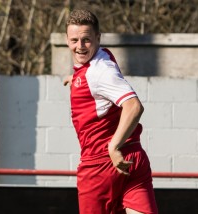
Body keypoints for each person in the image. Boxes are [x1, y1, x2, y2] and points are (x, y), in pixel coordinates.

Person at [63, 9, 158, 214]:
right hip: (132, 159)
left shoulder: (99, 72)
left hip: (101, 165)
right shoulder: (102, 58)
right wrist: (77, 80)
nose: (80, 46)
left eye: (86, 40)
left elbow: (133, 106)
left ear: (98, 38)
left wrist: (113, 147)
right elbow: (99, 80)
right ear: (66, 39)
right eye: (74, 40)